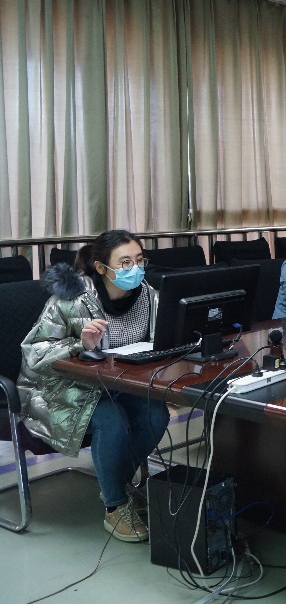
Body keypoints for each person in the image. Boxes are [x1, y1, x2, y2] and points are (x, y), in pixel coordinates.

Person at [18, 229, 170, 543]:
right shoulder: (71, 300)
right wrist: (78, 344)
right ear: (101, 267)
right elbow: (34, 352)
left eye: (139, 260)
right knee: (111, 420)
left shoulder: (149, 296)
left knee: (156, 413)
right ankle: (115, 505)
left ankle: (116, 486)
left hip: (118, 384)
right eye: (125, 263)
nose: (135, 269)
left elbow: (160, 340)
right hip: (60, 389)